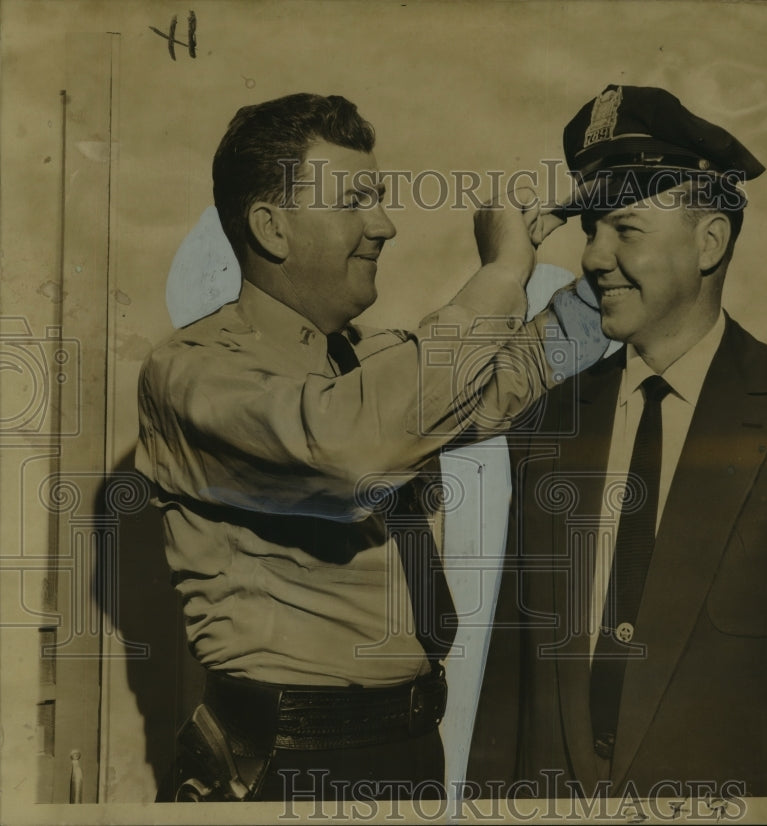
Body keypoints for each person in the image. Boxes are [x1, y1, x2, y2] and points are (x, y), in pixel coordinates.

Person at [135, 92, 601, 803]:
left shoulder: (362, 365)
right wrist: (503, 271)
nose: (384, 226)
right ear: (272, 227)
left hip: (404, 748)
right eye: (355, 200)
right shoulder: (195, 371)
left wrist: (619, 273)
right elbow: (348, 451)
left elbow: (514, 378)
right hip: (286, 768)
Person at [468, 84, 767, 799]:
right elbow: (511, 684)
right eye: (590, 230)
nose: (592, 257)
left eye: (625, 228)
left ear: (711, 241)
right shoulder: (548, 421)